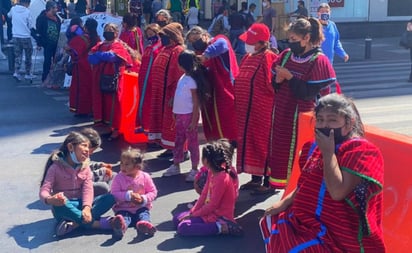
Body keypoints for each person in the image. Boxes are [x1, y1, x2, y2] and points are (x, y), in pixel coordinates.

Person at [260, 93, 385, 253]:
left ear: (349, 123)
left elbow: (337, 192)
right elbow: (305, 183)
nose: (325, 125)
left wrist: (328, 153)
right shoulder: (312, 147)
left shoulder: (361, 151)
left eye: (332, 120)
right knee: (270, 220)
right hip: (304, 220)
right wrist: (284, 203)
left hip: (338, 233)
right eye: (320, 120)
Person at [268, 18, 337, 189]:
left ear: (306, 38)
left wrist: (289, 77)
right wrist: (277, 80)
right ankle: (285, 191)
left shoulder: (319, 61)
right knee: (281, 156)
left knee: (301, 157)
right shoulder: (285, 56)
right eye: (289, 39)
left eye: (293, 39)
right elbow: (274, 86)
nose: (290, 43)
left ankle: (299, 194)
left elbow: (307, 94)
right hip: (283, 115)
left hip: (303, 119)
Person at [39, 131, 116, 237]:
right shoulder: (55, 168)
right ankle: (97, 224)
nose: (87, 151)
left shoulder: (85, 167)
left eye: (88, 147)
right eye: (84, 146)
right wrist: (50, 199)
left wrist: (87, 208)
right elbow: (44, 190)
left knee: (110, 197)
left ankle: (74, 224)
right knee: (62, 204)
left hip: (81, 205)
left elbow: (88, 189)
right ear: (71, 147)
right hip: (65, 207)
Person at [235, 23, 278, 195]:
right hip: (246, 113)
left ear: (262, 42)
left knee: (263, 145)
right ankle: (255, 178)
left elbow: (273, 85)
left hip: (262, 112)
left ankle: (268, 182)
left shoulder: (269, 58)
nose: (247, 44)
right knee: (250, 143)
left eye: (252, 41)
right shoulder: (247, 57)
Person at [173, 139, 243, 236]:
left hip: (219, 216)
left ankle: (222, 227)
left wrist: (193, 215)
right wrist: (193, 212)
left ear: (205, 160)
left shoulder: (222, 178)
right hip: (209, 212)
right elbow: (204, 194)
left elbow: (212, 205)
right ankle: (202, 222)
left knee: (183, 227)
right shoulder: (211, 171)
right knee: (177, 218)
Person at [186, 26, 239, 142]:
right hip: (209, 93)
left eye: (196, 39)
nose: (195, 43)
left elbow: (222, 45)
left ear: (205, 35)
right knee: (211, 123)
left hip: (225, 91)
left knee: (226, 122)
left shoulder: (218, 41)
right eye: (192, 42)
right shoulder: (197, 53)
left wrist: (205, 56)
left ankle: (230, 144)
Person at [163, 50, 209, 181]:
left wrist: (194, 120)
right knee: (178, 141)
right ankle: (176, 164)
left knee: (192, 143)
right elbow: (180, 95)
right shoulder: (183, 78)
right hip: (180, 115)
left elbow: (195, 103)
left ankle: (195, 168)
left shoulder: (192, 81)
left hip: (188, 116)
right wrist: (174, 111)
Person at [88, 23, 133, 141]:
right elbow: (90, 58)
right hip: (99, 78)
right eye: (106, 30)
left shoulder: (119, 45)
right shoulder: (100, 44)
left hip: (114, 78)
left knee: (114, 104)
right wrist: (101, 56)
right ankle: (106, 127)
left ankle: (116, 129)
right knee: (101, 102)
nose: (108, 32)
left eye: (111, 30)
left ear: (116, 33)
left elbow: (112, 56)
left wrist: (99, 55)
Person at [147, 22, 185, 156]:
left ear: (172, 37)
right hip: (160, 93)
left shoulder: (178, 51)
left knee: (173, 123)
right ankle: (169, 147)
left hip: (171, 94)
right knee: (164, 122)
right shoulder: (165, 49)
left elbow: (180, 75)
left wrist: (175, 96)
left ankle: (179, 150)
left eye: (164, 36)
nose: (162, 39)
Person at [110, 148, 158, 239]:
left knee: (144, 214)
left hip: (141, 207)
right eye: (121, 163)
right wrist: (127, 196)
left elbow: (153, 192)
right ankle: (120, 227)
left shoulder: (145, 177)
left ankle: (144, 225)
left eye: (127, 164)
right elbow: (114, 194)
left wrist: (143, 199)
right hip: (123, 208)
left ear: (137, 166)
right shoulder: (118, 178)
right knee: (124, 217)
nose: (123, 166)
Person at [136, 23, 163, 133]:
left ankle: (150, 128)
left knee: (152, 104)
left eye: (153, 33)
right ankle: (143, 125)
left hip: (153, 79)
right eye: (148, 34)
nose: (150, 36)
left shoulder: (160, 47)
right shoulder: (149, 47)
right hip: (144, 80)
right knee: (144, 102)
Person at [66, 19, 94, 116]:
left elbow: (74, 52)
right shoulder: (96, 38)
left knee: (80, 88)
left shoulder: (79, 39)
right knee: (91, 88)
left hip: (81, 67)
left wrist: (68, 50)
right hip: (93, 66)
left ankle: (81, 109)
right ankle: (91, 109)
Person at [79, 127, 115, 197]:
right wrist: (102, 171)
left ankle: (111, 194)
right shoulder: (77, 158)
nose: (92, 153)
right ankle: (107, 197)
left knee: (114, 175)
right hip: (77, 187)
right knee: (103, 187)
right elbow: (82, 177)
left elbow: (87, 167)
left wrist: (99, 165)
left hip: (86, 179)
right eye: (91, 151)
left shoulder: (83, 154)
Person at [8, 0, 35, 82]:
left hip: (16, 35)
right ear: (27, 3)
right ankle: (27, 74)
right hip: (26, 36)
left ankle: (16, 72)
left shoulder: (13, 9)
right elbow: (30, 25)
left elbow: (8, 15)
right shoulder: (27, 11)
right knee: (28, 56)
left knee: (18, 55)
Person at [36, 0, 61, 84]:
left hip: (56, 43)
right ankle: (45, 78)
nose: (56, 9)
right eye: (55, 8)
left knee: (56, 61)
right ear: (50, 8)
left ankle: (54, 79)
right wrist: (39, 43)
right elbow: (39, 31)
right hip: (47, 43)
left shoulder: (57, 18)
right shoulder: (42, 18)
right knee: (47, 61)